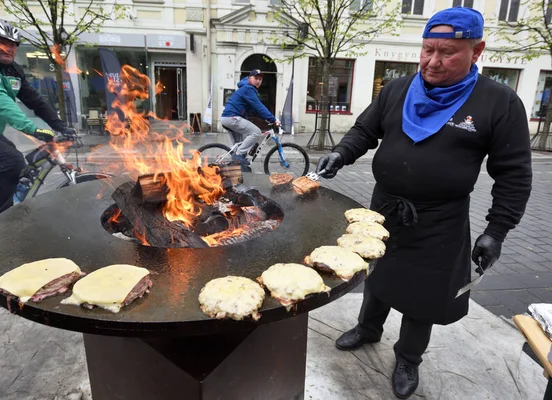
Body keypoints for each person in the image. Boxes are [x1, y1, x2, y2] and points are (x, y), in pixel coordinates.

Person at [316, 7, 532, 399]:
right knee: (376, 276)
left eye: (446, 52)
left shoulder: (498, 103)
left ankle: (408, 357)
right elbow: (365, 129)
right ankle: (368, 328)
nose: (433, 61)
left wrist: (496, 231)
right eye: (427, 49)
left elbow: (515, 174)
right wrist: (342, 153)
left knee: (424, 294)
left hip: (441, 218)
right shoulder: (398, 89)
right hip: (383, 209)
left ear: (476, 50)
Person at [0, 17, 76, 218]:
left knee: (20, 166)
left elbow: (34, 100)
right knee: (12, 161)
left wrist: (60, 126)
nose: (8, 49)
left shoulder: (11, 70)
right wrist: (31, 128)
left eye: (12, 45)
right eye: (1, 43)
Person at [220, 69, 280, 165]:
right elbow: (258, 105)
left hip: (228, 118)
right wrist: (272, 119)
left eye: (260, 79)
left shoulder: (246, 88)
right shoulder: (248, 88)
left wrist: (264, 117)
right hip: (232, 118)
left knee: (240, 145)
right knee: (256, 132)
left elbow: (253, 109)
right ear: (249, 78)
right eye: (256, 78)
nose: (258, 81)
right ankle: (238, 155)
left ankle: (236, 168)